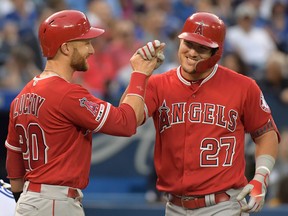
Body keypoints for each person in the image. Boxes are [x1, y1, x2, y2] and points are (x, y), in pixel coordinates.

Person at [4, 10, 164, 216]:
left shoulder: (22, 96)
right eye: (85, 42)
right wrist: (140, 73)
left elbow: (14, 164)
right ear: (66, 47)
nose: (91, 50)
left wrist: (24, 202)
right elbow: (126, 123)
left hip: (30, 200)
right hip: (55, 203)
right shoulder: (67, 94)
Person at [127, 12, 280, 215]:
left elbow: (266, 133)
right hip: (174, 207)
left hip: (224, 205)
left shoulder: (243, 87)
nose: (192, 52)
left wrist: (261, 176)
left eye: (202, 48)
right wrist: (139, 74)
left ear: (217, 52)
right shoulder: (158, 84)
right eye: (188, 44)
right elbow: (128, 121)